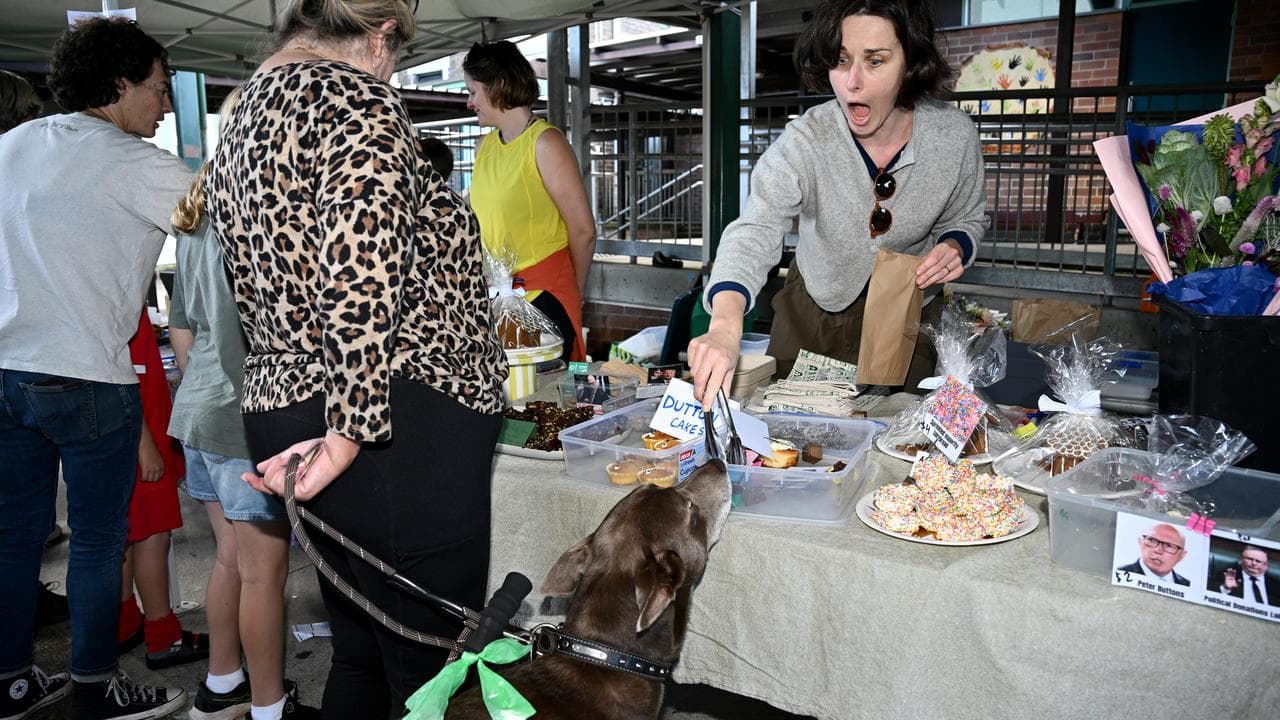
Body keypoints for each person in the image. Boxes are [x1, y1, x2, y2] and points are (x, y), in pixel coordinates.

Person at [205, 1, 507, 717]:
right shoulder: (357, 98)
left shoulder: (244, 110)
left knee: (365, 649)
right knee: (432, 668)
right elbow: (360, 272)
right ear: (378, 39)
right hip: (392, 420)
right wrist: (350, 431)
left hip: (291, 402)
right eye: (397, 57)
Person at [0, 16, 191, 720]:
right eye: (160, 89)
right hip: (85, 373)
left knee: (16, 537)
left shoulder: (13, 145)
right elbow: (235, 226)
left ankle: (12, 681)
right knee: (99, 538)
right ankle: (93, 684)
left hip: (4, 371)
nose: (166, 105)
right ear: (119, 86)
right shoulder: (135, 163)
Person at [688, 0, 989, 406]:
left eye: (875, 61)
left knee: (897, 438)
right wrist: (724, 323)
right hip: (813, 308)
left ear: (911, 62)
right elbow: (756, 228)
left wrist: (955, 245)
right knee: (792, 439)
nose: (852, 82)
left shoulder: (953, 136)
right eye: (841, 60)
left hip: (907, 313)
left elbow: (967, 216)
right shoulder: (807, 139)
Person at [168, 85, 318, 720]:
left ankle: (223, 682)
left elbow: (181, 327)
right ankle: (268, 706)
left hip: (198, 411)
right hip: (246, 418)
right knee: (264, 575)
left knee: (229, 560)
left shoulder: (199, 214)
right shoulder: (264, 214)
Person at [464, 40, 596, 364]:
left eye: (473, 91)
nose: (469, 103)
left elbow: (583, 231)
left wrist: (570, 292)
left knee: (540, 406)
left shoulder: (546, 143)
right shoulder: (485, 148)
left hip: (544, 296)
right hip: (498, 301)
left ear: (501, 85)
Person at [116, 308, 207, 672]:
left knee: (128, 534)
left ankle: (125, 622)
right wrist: (146, 446)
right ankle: (162, 635)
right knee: (153, 537)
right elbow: (123, 378)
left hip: (134, 436)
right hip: (141, 440)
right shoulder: (120, 299)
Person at [1116, 523, 1191, 586]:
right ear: (1140, 542)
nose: (1158, 550)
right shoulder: (1119, 573)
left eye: (1169, 546)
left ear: (1182, 555)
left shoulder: (1187, 585)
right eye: (1152, 540)